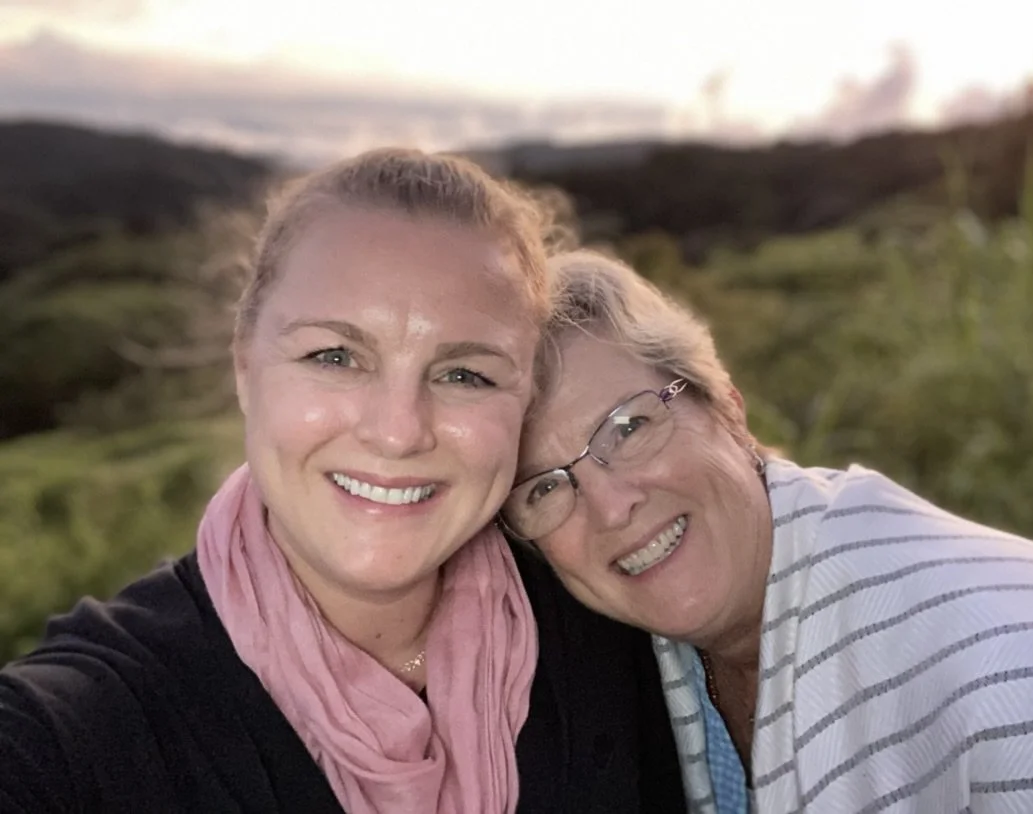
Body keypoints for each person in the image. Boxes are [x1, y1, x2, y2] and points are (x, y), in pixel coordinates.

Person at [0, 152, 686, 813]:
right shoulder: (80, 730)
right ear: (246, 369)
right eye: (334, 356)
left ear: (524, 401)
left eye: (464, 374)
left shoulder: (618, 632)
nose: (397, 431)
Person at [502, 248, 1033, 814]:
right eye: (543, 488)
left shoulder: (1018, 674)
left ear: (727, 408)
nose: (611, 508)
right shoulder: (611, 675)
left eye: (629, 427)